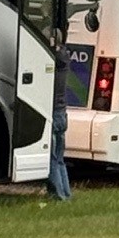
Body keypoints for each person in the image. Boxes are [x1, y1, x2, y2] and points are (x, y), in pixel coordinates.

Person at [48, 37, 73, 200]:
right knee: (60, 159)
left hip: (54, 113)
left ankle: (58, 195)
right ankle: (66, 193)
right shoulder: (65, 56)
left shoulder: (55, 59)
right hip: (62, 113)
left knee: (52, 158)